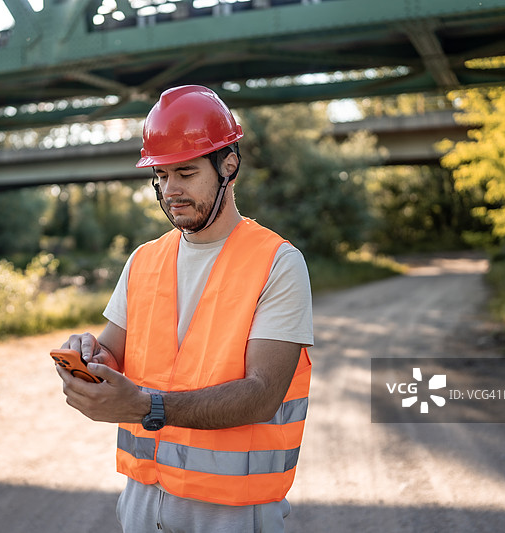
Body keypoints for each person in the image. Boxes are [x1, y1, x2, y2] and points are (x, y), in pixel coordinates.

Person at [56, 85, 313, 532]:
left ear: (228, 166)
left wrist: (145, 405)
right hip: (143, 503)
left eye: (186, 172)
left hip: (232, 512)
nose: (170, 190)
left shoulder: (278, 263)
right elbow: (113, 354)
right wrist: (90, 359)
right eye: (161, 174)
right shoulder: (144, 260)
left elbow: (263, 394)